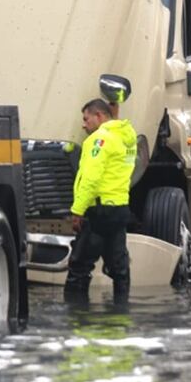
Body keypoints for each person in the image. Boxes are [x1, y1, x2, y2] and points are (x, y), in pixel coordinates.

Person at [64, 98, 137, 303]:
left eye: (87, 119)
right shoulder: (126, 138)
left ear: (99, 116)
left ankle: (76, 316)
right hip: (120, 209)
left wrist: (77, 211)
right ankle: (121, 314)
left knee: (79, 268)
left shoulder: (99, 140)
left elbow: (91, 178)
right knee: (119, 268)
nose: (83, 124)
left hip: (99, 212)